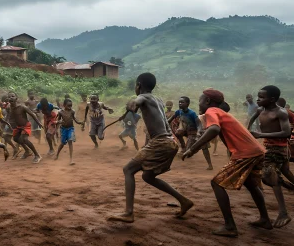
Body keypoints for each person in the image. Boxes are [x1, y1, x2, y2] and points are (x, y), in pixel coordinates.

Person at [182, 88, 272, 237]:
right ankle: (265, 219)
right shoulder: (222, 113)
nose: (199, 104)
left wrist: (193, 149)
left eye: (200, 101)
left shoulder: (212, 111)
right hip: (256, 151)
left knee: (216, 183)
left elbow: (214, 129)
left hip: (245, 153)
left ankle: (230, 226)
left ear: (208, 101)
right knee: (251, 184)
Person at [108, 73, 193, 224]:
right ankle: (184, 201)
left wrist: (132, 103)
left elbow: (137, 102)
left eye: (135, 85)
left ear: (138, 85)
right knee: (148, 176)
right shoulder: (158, 99)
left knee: (128, 170)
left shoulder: (143, 97)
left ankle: (128, 213)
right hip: (170, 142)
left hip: (160, 142)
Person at [246, 86, 292, 228]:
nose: (258, 99)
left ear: (272, 99)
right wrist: (248, 132)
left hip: (279, 148)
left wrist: (261, 135)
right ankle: (285, 184)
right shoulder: (260, 110)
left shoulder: (281, 113)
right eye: (258, 97)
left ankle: (283, 213)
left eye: (261, 97)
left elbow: (286, 132)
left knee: (269, 175)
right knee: (284, 172)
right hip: (268, 146)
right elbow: (250, 122)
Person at [7, 91, 43, 163]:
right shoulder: (9, 108)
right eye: (9, 97)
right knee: (16, 138)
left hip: (26, 126)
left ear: (16, 98)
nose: (11, 98)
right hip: (18, 127)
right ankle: (27, 151)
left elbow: (32, 114)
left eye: (13, 96)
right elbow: (11, 117)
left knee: (25, 139)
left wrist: (39, 123)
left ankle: (37, 155)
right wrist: (10, 124)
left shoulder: (22, 107)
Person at [54, 98, 84, 165]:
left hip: (71, 128)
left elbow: (75, 119)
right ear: (64, 105)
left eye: (71, 105)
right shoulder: (60, 112)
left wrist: (80, 123)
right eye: (68, 105)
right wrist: (59, 122)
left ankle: (71, 159)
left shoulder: (72, 111)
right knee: (62, 144)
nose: (70, 107)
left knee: (70, 141)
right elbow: (57, 121)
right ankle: (57, 154)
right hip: (63, 129)